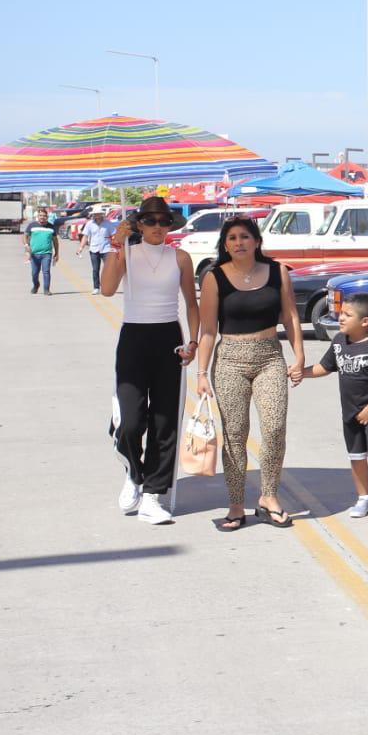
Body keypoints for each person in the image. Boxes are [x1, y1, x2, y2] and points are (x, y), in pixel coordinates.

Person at [195, 215, 304, 531]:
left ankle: (269, 497)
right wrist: (201, 373)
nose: (238, 243)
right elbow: (206, 330)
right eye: (231, 238)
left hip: (269, 356)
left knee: (274, 427)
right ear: (224, 245)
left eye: (244, 236)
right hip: (229, 359)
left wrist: (298, 357)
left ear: (256, 241)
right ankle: (235, 504)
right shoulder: (215, 277)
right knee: (235, 433)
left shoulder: (277, 271)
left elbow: (291, 317)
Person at [101, 197, 202, 524]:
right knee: (130, 421)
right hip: (133, 337)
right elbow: (106, 289)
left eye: (164, 221)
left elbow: (191, 304)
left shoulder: (181, 257)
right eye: (151, 221)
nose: (158, 227)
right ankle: (133, 472)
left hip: (168, 338)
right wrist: (116, 246)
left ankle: (152, 495)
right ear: (139, 224)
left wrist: (193, 341)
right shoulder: (127, 254)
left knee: (164, 421)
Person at [303, 292, 368, 528]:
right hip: (350, 412)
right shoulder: (339, 342)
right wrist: (299, 372)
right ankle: (363, 499)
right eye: (341, 313)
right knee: (356, 458)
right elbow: (324, 367)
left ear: (364, 321)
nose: (341, 318)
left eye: (347, 315)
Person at [77, 207, 121, 294]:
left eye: (99, 214)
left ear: (102, 215)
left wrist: (116, 247)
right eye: (95, 214)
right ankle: (96, 287)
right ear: (93, 215)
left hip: (106, 249)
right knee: (95, 269)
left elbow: (114, 236)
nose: (97, 216)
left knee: (108, 269)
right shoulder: (90, 224)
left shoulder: (108, 224)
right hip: (94, 249)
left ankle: (107, 286)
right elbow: (85, 236)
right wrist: (80, 248)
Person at [24, 207, 58, 295]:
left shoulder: (51, 227)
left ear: (47, 217)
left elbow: (55, 241)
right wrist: (26, 245)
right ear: (38, 216)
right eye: (40, 215)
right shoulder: (32, 225)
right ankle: (36, 285)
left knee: (46, 271)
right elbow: (25, 236)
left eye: (44, 216)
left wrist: (57, 253)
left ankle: (46, 289)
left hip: (47, 254)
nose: (42, 217)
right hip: (34, 254)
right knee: (34, 273)